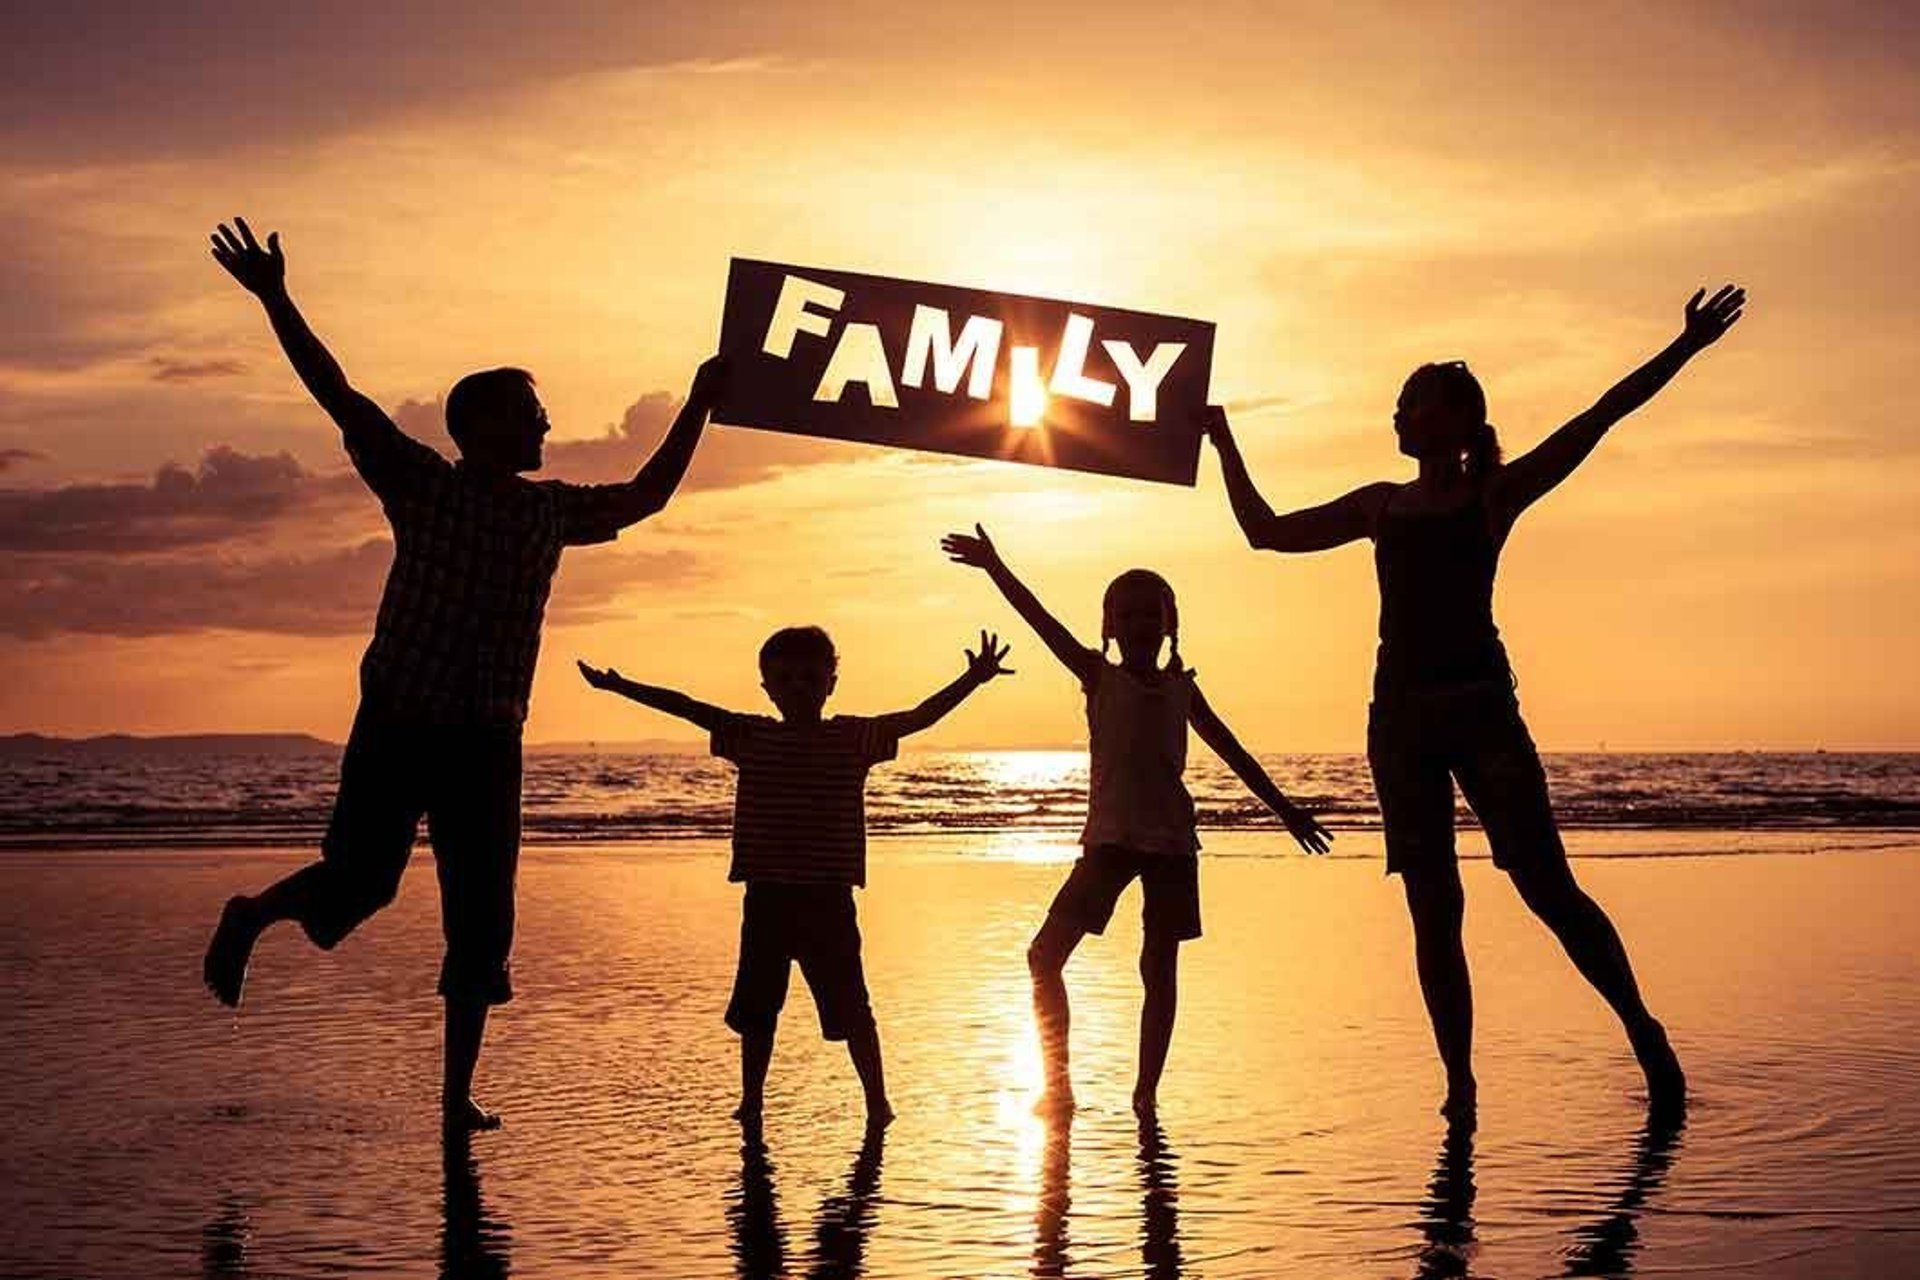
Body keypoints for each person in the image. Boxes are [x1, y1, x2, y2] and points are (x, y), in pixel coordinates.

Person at [198, 216, 730, 1133]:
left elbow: (645, 498)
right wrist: (277, 298)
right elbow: (340, 395)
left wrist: (698, 403)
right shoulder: (422, 485)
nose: (546, 425)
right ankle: (252, 914)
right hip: (401, 720)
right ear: (480, 425)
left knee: (482, 923)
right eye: (531, 414)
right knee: (363, 881)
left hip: (488, 738)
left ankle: (454, 1098)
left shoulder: (548, 514)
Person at [1200, 284, 1747, 1125]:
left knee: (1546, 886)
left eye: (1412, 404)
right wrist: (1222, 441)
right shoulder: (1380, 504)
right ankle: (1459, 1084)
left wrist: (1684, 348)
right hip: (1401, 724)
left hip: (1484, 711)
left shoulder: (1493, 494)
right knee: (1434, 911)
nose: (1398, 417)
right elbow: (1265, 531)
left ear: (1456, 420)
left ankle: (1643, 1033)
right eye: (1398, 406)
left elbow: (1599, 417)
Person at [941, 526, 1330, 1116]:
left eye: (1153, 614)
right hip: (1109, 843)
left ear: (1170, 624)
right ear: (1110, 625)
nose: (1141, 624)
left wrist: (1287, 811)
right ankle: (1059, 1084)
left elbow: (1234, 752)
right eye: (1129, 614)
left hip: (1173, 844)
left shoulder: (1182, 689)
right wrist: (995, 565)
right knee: (1044, 957)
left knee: (1159, 968)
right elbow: (1040, 620)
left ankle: (1146, 1094)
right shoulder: (1099, 675)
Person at [577, 624, 1012, 1129]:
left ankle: (877, 1099)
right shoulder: (751, 734)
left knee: (851, 1004)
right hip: (767, 897)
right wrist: (620, 686)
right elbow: (686, 706)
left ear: (831, 682)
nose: (798, 689)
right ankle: (752, 1100)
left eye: (810, 678)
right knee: (759, 1006)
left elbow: (916, 719)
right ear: (767, 687)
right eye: (784, 680)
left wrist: (972, 679)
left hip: (829, 898)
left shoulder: (852, 737)